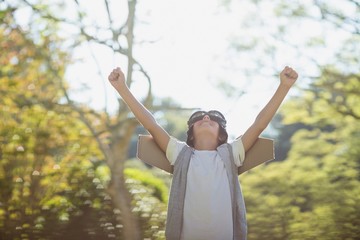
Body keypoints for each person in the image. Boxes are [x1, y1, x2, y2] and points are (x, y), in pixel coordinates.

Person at [108, 66, 298, 240]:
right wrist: (122, 88)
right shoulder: (180, 153)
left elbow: (259, 124)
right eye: (198, 117)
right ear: (190, 134)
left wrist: (284, 87)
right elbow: (151, 124)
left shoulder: (231, 154)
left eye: (214, 117)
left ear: (222, 135)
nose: (206, 116)